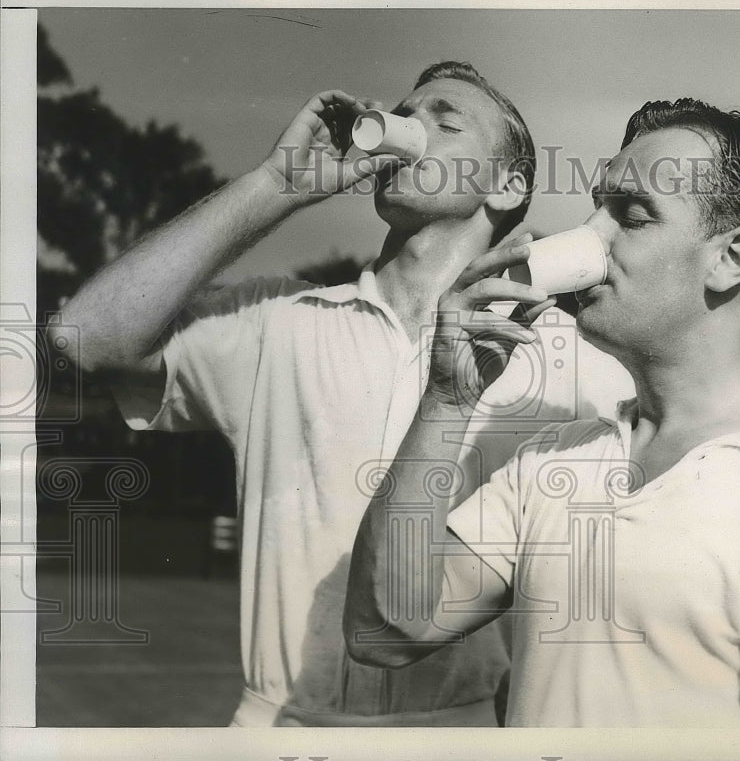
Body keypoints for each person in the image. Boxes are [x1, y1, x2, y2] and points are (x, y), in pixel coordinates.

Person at [50, 62, 634, 727]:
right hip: (281, 728)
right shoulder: (276, 320)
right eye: (407, 113)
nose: (410, 127)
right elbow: (83, 338)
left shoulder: (572, 356)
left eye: (445, 121)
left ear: (508, 186)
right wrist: (275, 186)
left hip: (461, 730)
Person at [344, 98, 740, 728]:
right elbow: (383, 631)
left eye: (631, 217)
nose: (588, 237)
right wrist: (448, 398)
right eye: (595, 207)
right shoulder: (552, 458)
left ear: (731, 259)